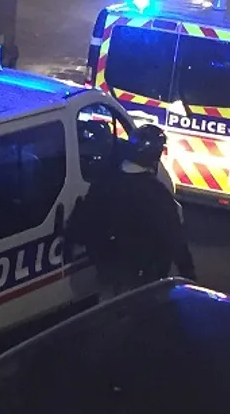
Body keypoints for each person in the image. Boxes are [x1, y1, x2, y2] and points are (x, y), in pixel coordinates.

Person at [66, 125, 196, 299]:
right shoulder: (155, 193)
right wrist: (189, 278)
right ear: (154, 155)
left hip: (107, 274)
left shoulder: (104, 183)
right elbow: (175, 237)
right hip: (142, 281)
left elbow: (80, 225)